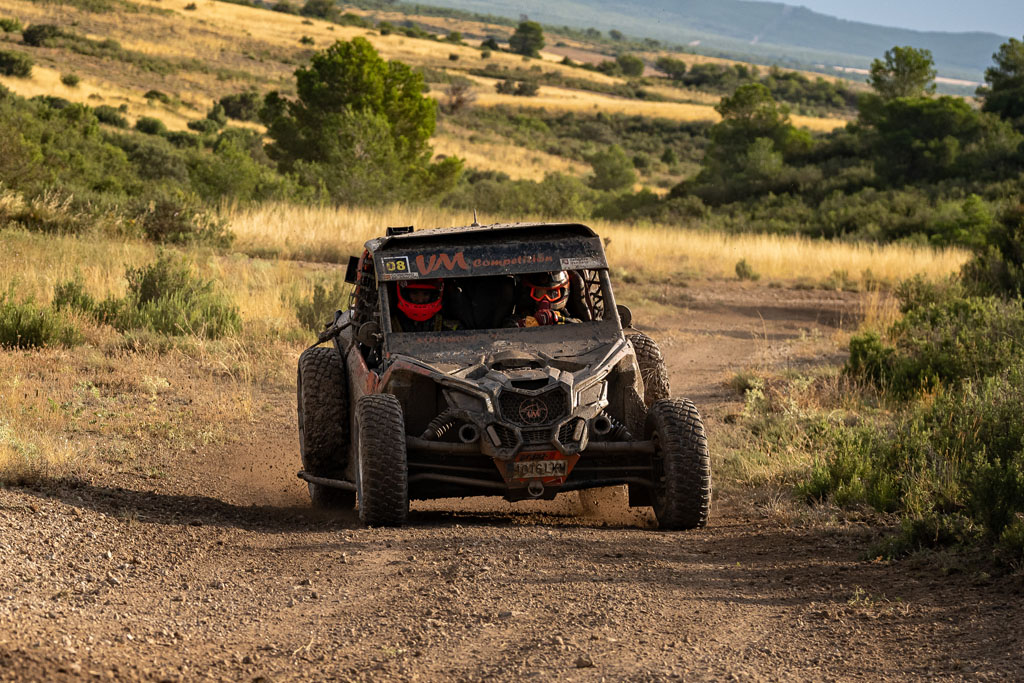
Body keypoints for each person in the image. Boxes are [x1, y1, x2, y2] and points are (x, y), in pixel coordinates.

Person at [510, 271, 580, 327]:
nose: (545, 299)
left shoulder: (565, 314)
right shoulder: (525, 313)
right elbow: (508, 323)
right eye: (538, 293)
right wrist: (522, 324)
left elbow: (582, 325)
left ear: (564, 292)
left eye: (552, 294)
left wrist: (557, 319)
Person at [391, 279, 459, 332]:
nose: (420, 300)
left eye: (425, 294)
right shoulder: (390, 326)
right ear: (406, 294)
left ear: (433, 295)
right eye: (415, 293)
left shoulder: (449, 327)